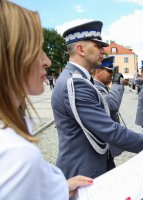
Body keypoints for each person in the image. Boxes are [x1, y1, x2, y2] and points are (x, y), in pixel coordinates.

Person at [0, 1, 94, 199]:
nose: (47, 61)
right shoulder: (16, 155)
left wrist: (57, 188)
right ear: (11, 55)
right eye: (37, 49)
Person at [51, 21, 143, 179]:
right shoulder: (75, 83)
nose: (103, 51)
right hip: (84, 171)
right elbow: (109, 130)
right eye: (98, 46)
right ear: (81, 49)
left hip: (93, 163)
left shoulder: (79, 79)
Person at [93, 56, 124, 157]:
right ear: (98, 71)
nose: (112, 75)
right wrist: (116, 83)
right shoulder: (96, 88)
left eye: (113, 72)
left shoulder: (102, 87)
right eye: (109, 72)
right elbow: (113, 106)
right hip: (104, 142)